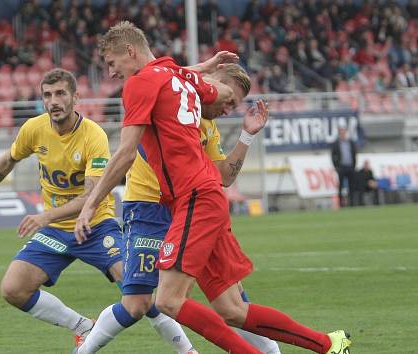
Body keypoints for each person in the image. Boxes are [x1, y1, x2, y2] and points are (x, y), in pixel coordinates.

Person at [76, 21, 351, 354]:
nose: (111, 72)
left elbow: (125, 152)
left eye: (112, 62)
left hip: (193, 198)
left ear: (130, 51)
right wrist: (203, 71)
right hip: (202, 198)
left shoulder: (143, 83)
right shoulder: (175, 76)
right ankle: (329, 344)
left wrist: (91, 204)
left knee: (167, 300)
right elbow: (204, 87)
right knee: (232, 309)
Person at [0, 68, 197, 353]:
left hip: (96, 225)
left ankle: (186, 350)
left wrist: (44, 216)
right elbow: (4, 164)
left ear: (76, 97)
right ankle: (81, 326)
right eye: (47, 95)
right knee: (13, 289)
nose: (53, 101)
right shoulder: (34, 129)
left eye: (61, 94)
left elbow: (91, 196)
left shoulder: (93, 136)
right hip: (56, 232)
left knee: (139, 292)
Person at [77, 63, 280, 354]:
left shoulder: (205, 122)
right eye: (227, 99)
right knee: (138, 302)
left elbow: (223, 175)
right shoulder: (166, 99)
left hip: (192, 207)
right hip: (149, 208)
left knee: (231, 299)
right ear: (211, 82)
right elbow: (156, 72)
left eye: (233, 105)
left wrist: (247, 136)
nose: (227, 108)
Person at [331, 126, 357, 207]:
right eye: (341, 132)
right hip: (341, 167)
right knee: (341, 186)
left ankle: (351, 203)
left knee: (351, 185)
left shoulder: (350, 142)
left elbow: (354, 154)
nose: (343, 134)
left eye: (344, 132)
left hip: (350, 166)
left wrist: (354, 165)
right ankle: (341, 203)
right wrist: (336, 166)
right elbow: (333, 156)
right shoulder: (336, 144)